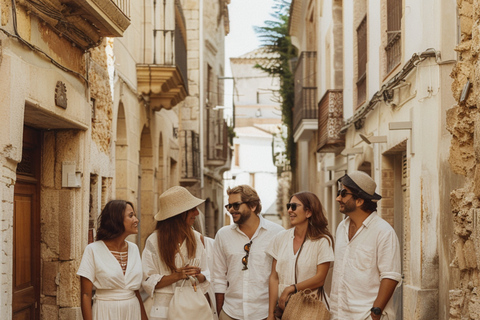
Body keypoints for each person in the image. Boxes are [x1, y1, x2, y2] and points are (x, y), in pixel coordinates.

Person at [330, 171, 402, 320]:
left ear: (359, 201)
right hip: (339, 314)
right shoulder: (341, 228)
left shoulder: (383, 232)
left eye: (343, 193)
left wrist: (375, 313)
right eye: (339, 192)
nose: (338, 198)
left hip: (365, 316)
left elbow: (390, 276)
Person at [213, 184, 284, 320]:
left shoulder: (277, 233)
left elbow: (282, 275)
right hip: (230, 312)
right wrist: (219, 312)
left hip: (264, 314)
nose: (231, 210)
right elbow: (218, 278)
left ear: (253, 206)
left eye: (236, 205)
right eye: (229, 206)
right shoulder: (223, 235)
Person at [142, 186, 211, 320]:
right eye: (192, 209)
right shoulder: (154, 241)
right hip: (163, 311)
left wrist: (198, 275)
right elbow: (148, 281)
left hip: (192, 310)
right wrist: (178, 276)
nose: (197, 213)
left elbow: (206, 276)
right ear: (179, 214)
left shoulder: (197, 238)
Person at [266, 191, 334, 320]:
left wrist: (291, 289)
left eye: (294, 206)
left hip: (309, 310)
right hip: (283, 311)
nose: (289, 211)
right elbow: (274, 277)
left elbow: (320, 278)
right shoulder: (280, 238)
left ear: (308, 212)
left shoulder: (322, 241)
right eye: (288, 206)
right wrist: (270, 314)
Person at [77, 200, 148, 320]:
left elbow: (135, 291)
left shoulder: (134, 249)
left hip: (132, 311)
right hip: (106, 311)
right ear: (116, 220)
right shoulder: (93, 250)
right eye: (131, 216)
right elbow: (85, 294)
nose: (136, 220)